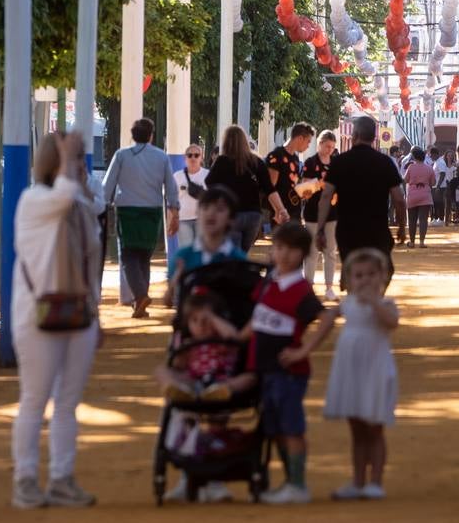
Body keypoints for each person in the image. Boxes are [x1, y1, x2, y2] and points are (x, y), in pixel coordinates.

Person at [9, 131, 102, 509]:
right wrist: (67, 159)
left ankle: (62, 479)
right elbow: (62, 197)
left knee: (68, 403)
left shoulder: (81, 205)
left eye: (80, 158)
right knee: (35, 399)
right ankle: (25, 480)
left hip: (80, 314)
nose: (81, 165)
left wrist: (96, 315)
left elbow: (91, 262)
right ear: (56, 161)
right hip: (37, 315)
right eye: (75, 158)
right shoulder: (35, 200)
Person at [239, 223, 338, 505]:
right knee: (275, 428)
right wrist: (234, 338)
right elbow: (257, 320)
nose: (282, 254)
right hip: (265, 369)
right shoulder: (268, 283)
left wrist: (303, 350)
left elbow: (326, 319)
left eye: (291, 249)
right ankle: (289, 482)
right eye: (278, 247)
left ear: (302, 254)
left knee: (291, 427)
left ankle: (297, 485)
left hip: (289, 372)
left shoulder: (299, 289)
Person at [162, 185, 245, 505]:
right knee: (185, 407)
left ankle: (214, 477)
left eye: (221, 209)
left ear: (230, 220)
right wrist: (176, 280)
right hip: (189, 348)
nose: (212, 214)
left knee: (218, 414)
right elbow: (169, 301)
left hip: (223, 350)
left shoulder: (237, 260)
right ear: (198, 213)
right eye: (207, 207)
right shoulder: (184, 257)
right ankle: (189, 475)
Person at [324, 248, 399, 501]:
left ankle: (375, 482)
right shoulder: (347, 305)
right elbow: (326, 318)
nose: (365, 280)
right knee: (356, 429)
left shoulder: (386, 304)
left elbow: (392, 322)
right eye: (358, 275)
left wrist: (374, 302)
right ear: (348, 280)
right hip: (351, 371)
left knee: (374, 428)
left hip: (375, 372)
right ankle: (357, 481)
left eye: (371, 274)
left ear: (383, 277)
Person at [102, 118, 180, 319]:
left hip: (127, 212)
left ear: (133, 135)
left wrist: (103, 206)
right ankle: (140, 304)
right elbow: (171, 187)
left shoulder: (121, 155)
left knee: (128, 256)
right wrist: (174, 212)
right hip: (152, 212)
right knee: (144, 256)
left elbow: (108, 185)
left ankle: (140, 295)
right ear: (151, 135)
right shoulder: (161, 157)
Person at [317, 116, 406, 290]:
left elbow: (326, 197)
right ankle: (373, 299)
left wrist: (320, 229)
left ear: (355, 135)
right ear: (373, 137)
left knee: (354, 271)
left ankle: (353, 293)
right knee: (383, 270)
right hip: (377, 229)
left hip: (347, 230)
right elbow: (399, 199)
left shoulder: (340, 162)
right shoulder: (384, 162)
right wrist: (402, 227)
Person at [207, 125, 285, 252]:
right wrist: (281, 209)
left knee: (234, 254)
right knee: (242, 253)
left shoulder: (221, 162)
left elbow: (209, 184)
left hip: (231, 215)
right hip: (253, 216)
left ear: (226, 142)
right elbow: (270, 189)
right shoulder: (257, 162)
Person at [299, 130, 340, 300]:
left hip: (332, 213)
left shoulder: (336, 163)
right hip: (312, 213)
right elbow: (303, 189)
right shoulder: (310, 162)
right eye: (327, 146)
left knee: (330, 251)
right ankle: (307, 288)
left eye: (332, 147)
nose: (330, 150)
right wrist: (319, 184)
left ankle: (329, 288)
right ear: (320, 144)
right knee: (312, 251)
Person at [166, 144, 209, 306]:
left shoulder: (207, 175)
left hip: (201, 221)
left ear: (201, 158)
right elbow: (171, 201)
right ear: (185, 158)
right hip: (183, 220)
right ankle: (182, 293)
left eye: (196, 155)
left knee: (201, 255)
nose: (193, 158)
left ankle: (199, 292)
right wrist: (171, 220)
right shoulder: (177, 176)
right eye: (189, 155)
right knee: (186, 256)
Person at [268, 122, 314, 233]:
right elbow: (270, 187)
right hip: (281, 215)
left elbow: (294, 187)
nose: (308, 146)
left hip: (295, 213)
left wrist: (309, 189)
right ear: (300, 138)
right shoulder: (276, 155)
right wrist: (278, 210)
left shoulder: (296, 159)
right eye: (308, 142)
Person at [403, 147, 435, 248]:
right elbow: (433, 183)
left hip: (412, 194)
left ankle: (412, 242)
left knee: (412, 220)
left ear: (414, 157)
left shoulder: (411, 167)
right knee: (423, 220)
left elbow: (405, 180)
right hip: (425, 194)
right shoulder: (429, 168)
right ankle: (422, 242)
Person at [429, 146, 447, 225]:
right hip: (435, 186)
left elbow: (442, 174)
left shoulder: (440, 162)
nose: (430, 157)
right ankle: (436, 218)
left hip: (440, 186)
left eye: (431, 155)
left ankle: (441, 219)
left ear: (435, 154)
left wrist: (438, 186)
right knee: (435, 203)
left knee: (439, 203)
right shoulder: (436, 162)